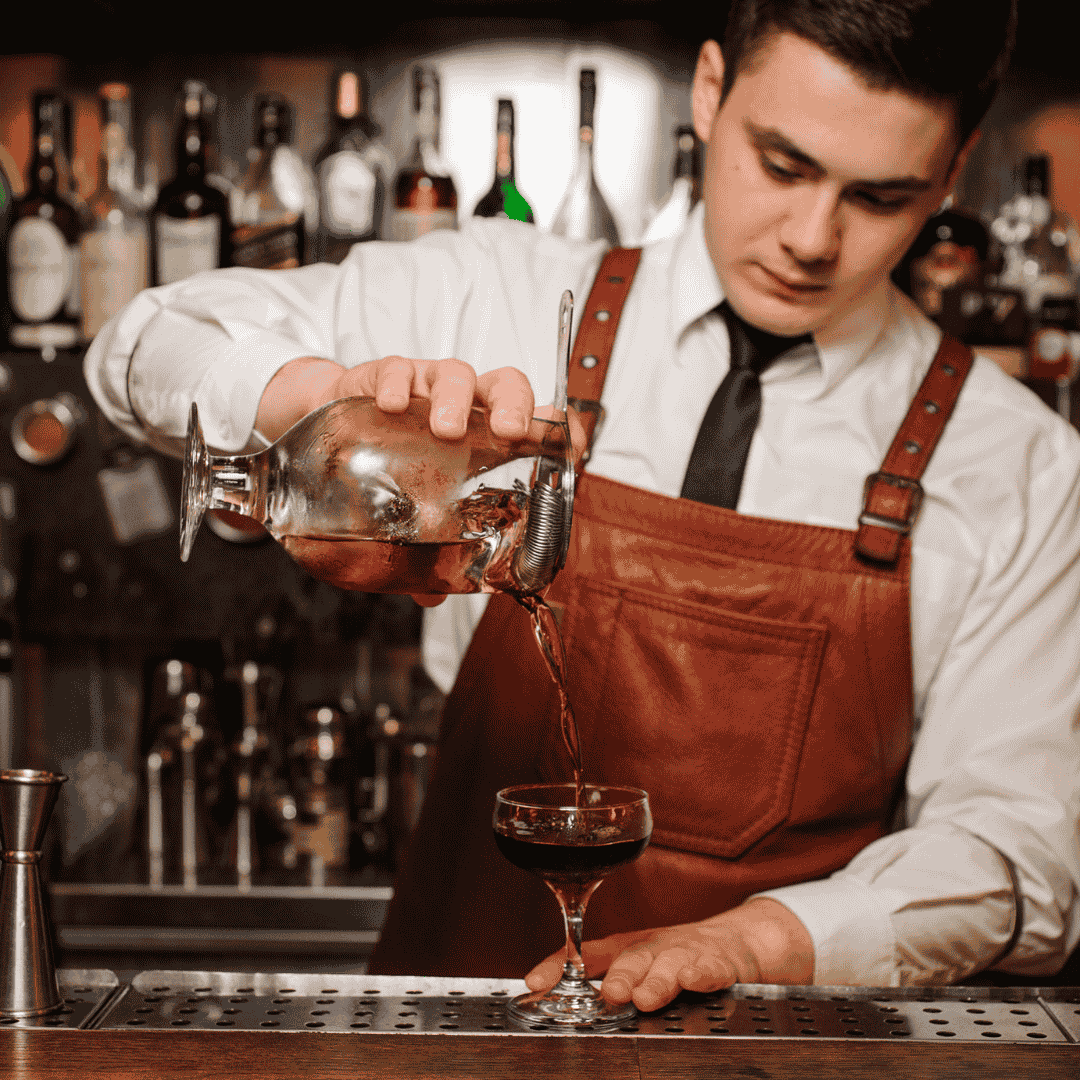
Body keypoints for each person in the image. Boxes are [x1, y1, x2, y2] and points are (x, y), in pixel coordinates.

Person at [85, 0, 1080, 1008]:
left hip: (772, 1045)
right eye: (781, 165)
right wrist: (307, 401)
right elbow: (140, 342)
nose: (813, 238)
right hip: (457, 1023)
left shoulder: (1022, 464)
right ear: (708, 92)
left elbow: (1019, 847)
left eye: (882, 196)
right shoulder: (499, 290)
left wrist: (763, 942)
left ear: (952, 175)